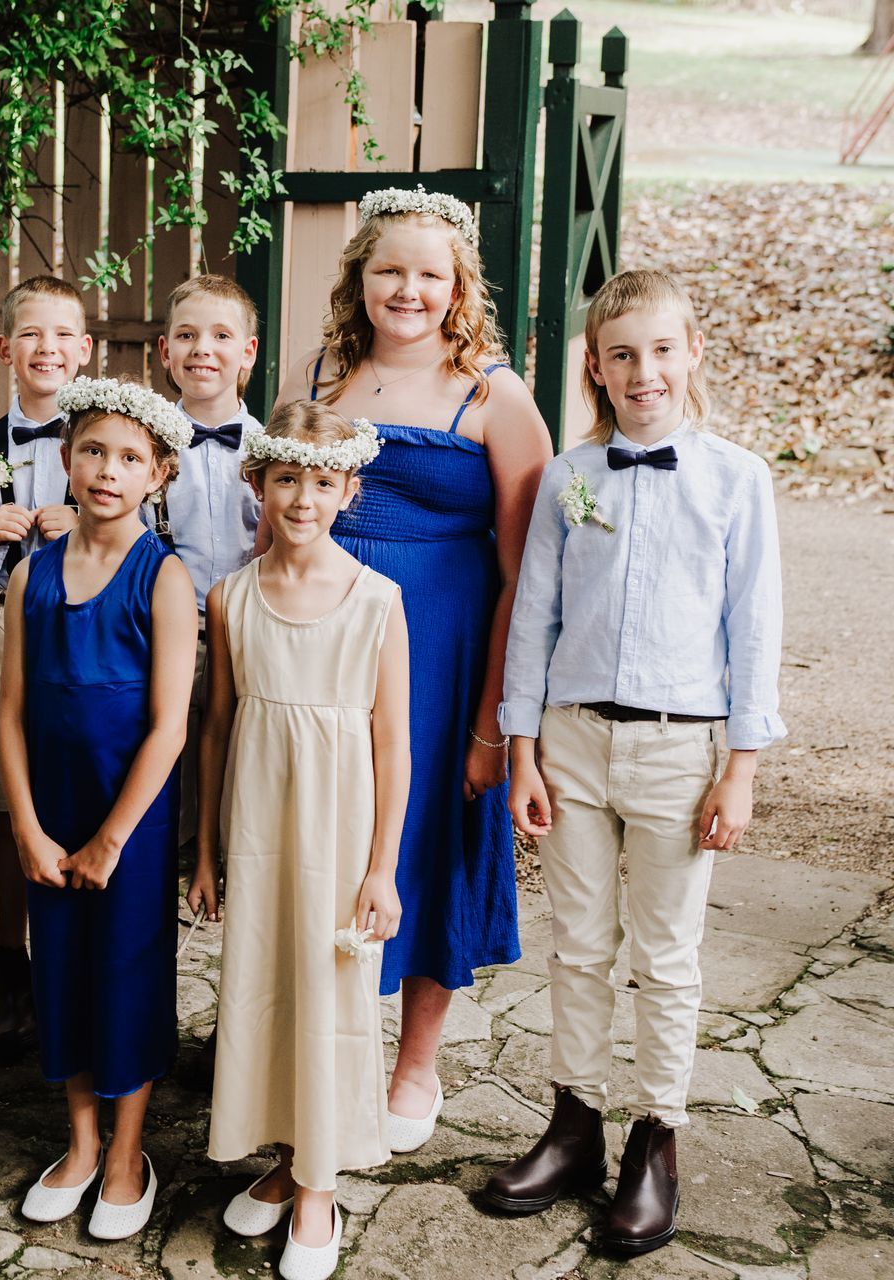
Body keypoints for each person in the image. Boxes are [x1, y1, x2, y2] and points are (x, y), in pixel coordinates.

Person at [484, 269, 784, 1256]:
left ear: (692, 352)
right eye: (622, 354)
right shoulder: (571, 476)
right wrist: (522, 747)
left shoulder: (737, 478)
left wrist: (739, 767)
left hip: (678, 747)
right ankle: (575, 1121)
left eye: (661, 349)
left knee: (664, 955)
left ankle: (654, 1140)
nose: (643, 370)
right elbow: (535, 615)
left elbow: (754, 627)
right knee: (577, 942)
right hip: (570, 739)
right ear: (596, 368)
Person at [271, 186, 553, 1148]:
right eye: (390, 268)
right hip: (330, 642)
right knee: (332, 834)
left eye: (431, 273)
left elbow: (526, 576)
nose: (409, 288)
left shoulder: (494, 395)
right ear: (360, 277)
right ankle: (326, 1042)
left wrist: (492, 727)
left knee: (427, 837)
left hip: (443, 651)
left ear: (458, 285)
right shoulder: (316, 374)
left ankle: (415, 1061)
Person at [189, 402, 410, 1280]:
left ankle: (321, 1182)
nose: (303, 498)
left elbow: (393, 742)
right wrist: (203, 850)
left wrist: (382, 869)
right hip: (258, 826)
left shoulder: (377, 601)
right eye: (287, 479)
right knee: (266, 988)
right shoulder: (231, 597)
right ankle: (286, 1151)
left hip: (339, 833)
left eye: (323, 482)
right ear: (259, 484)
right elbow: (215, 729)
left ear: (349, 489)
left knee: (327, 994)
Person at [1, 376, 196, 1241]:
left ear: (157, 473)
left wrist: (115, 837)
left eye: (128, 458)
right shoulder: (31, 576)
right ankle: (79, 1142)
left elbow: (170, 724)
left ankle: (126, 1152)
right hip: (52, 805)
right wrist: (27, 826)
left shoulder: (164, 577)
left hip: (131, 816)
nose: (107, 470)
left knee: (126, 969)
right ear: (66, 460)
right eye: (92, 452)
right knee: (64, 968)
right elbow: (6, 712)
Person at [0, 275, 94, 1061]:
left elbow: (147, 541)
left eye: (62, 334)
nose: (47, 349)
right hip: (3, 634)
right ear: (5, 349)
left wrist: (91, 523)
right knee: (8, 810)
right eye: (30, 334)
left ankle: (75, 964)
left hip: (81, 638)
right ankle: (14, 977)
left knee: (72, 796)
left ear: (85, 350)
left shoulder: (110, 441)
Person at [155, 273, 265, 842]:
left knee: (238, 779)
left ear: (248, 352)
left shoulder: (271, 450)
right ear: (165, 351)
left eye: (222, 336)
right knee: (167, 775)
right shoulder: (142, 449)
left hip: (249, 638)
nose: (203, 349)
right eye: (187, 336)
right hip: (167, 635)